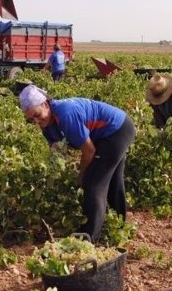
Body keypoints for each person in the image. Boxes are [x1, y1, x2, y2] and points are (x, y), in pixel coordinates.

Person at [19, 85, 136, 243]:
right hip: (105, 134)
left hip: (117, 130)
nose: (36, 121)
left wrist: (82, 175)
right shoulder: (46, 125)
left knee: (93, 184)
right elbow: (57, 149)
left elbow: (88, 150)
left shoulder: (66, 114)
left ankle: (90, 238)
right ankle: (120, 227)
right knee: (112, 179)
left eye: (37, 115)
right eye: (31, 119)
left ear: (45, 104)